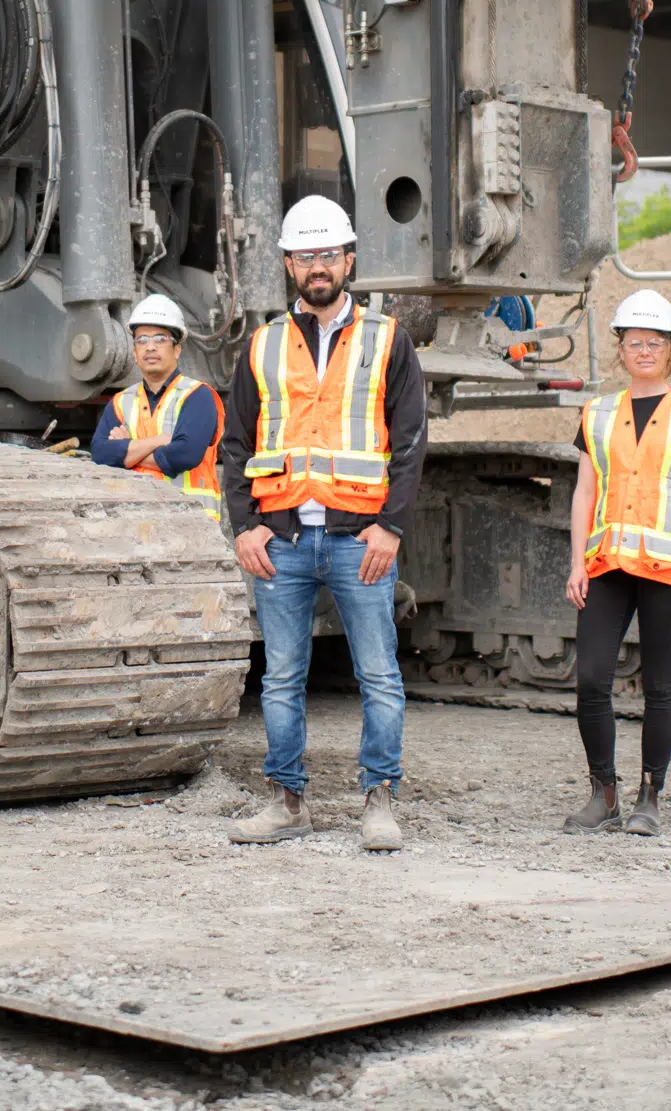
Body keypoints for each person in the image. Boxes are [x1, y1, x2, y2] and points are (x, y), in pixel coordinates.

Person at [219, 195, 426, 853]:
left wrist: (390, 527)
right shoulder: (263, 345)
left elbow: (412, 441)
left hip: (360, 537)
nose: (317, 266)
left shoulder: (387, 338)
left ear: (349, 259)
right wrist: (246, 526)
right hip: (280, 539)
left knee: (378, 673)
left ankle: (379, 800)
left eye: (328, 254)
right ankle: (286, 799)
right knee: (280, 675)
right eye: (305, 256)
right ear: (288, 263)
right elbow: (235, 443)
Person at [560, 289, 671, 837]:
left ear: (669, 348)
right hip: (607, 565)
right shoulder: (598, 412)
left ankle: (651, 796)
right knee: (592, 679)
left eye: (654, 342)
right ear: (620, 349)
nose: (643, 351)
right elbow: (584, 491)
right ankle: (604, 794)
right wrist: (579, 562)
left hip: (668, 569)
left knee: (659, 685)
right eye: (634, 342)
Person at [91, 294, 224, 521]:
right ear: (134, 352)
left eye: (160, 339)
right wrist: (159, 441)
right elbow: (100, 454)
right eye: (142, 340)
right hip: (136, 524)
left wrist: (126, 451)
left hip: (192, 525)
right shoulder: (121, 402)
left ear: (177, 350)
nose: (150, 347)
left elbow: (185, 455)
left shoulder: (197, 396)